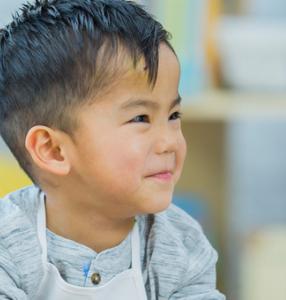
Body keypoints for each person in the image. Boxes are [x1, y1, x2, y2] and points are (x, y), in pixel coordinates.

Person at [0, 0, 224, 298]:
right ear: (53, 150)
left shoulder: (182, 245)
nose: (170, 142)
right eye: (140, 118)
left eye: (173, 116)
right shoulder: (9, 242)